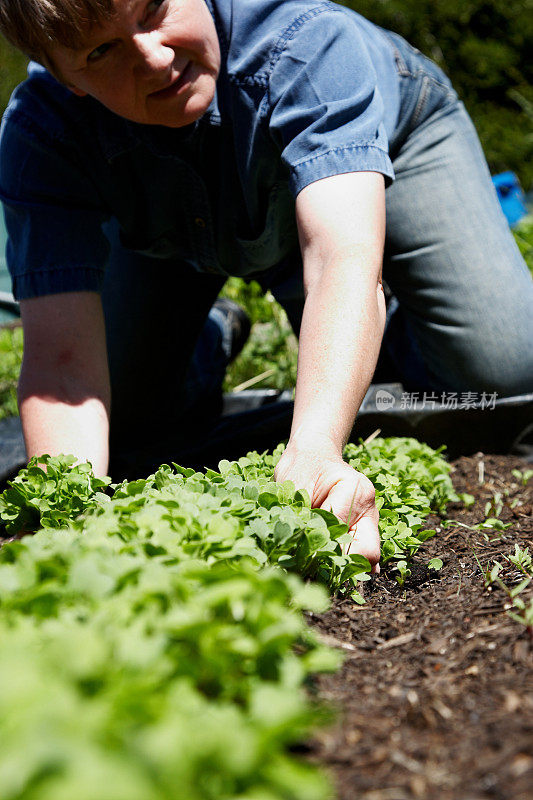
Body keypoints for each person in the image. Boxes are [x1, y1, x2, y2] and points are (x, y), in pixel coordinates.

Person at [0, 0, 532, 571]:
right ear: (64, 77)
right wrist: (72, 527)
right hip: (175, 227)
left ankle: (386, 321)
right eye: (101, 51)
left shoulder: (306, 43)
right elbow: (62, 363)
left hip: (381, 152)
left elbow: (340, 259)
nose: (153, 59)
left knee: (503, 368)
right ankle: (215, 332)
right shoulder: (42, 133)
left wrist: (316, 452)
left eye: (154, 9)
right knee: (120, 420)